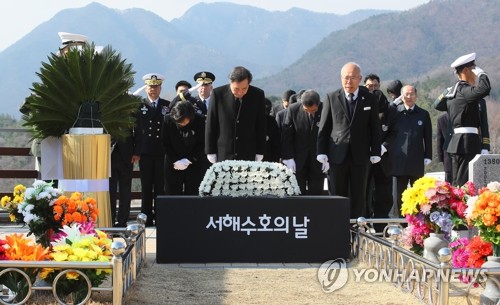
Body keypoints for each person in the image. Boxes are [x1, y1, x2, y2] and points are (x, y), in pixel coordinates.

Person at [317, 62, 381, 218]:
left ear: (359, 78)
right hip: (337, 153)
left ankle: (356, 230)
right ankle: (337, 227)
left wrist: (376, 151)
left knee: (359, 194)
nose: (349, 82)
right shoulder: (331, 97)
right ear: (341, 78)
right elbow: (324, 127)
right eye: (345, 78)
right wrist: (321, 152)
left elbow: (375, 127)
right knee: (337, 194)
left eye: (352, 78)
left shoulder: (369, 99)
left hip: (361, 155)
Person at [434, 52, 491, 187]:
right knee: (465, 183)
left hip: (455, 143)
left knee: (456, 181)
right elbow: (485, 89)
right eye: (473, 68)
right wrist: (482, 73)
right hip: (467, 142)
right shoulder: (464, 90)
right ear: (466, 70)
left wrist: (446, 92)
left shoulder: (453, 91)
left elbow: (437, 104)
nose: (475, 73)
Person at [205, 66, 267, 163]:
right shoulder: (218, 94)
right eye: (236, 88)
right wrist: (210, 150)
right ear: (230, 83)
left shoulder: (258, 95)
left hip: (248, 151)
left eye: (244, 88)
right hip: (223, 151)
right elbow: (211, 123)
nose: (240, 92)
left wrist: (260, 151)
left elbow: (261, 124)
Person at [364, 74, 399, 227]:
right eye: (369, 86)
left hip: (384, 158)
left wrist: (383, 147)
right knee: (364, 192)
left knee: (383, 193)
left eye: (375, 86)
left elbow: (395, 132)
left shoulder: (390, 109)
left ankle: (381, 225)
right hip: (364, 157)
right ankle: (363, 223)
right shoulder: (360, 106)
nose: (372, 89)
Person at [392, 85, 432, 216]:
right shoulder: (395, 113)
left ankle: (418, 223)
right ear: (401, 96)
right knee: (399, 194)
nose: (409, 97)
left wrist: (428, 155)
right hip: (399, 160)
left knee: (418, 193)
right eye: (406, 94)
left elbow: (427, 137)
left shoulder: (423, 114)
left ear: (416, 95)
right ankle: (399, 223)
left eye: (412, 94)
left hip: (417, 159)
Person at [137, 73, 170, 226]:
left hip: (161, 152)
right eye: (150, 87)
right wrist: (135, 151)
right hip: (145, 152)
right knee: (146, 185)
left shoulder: (166, 105)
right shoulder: (139, 106)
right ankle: (146, 216)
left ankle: (161, 216)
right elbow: (135, 131)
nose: (153, 90)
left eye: (156, 87)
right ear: (146, 88)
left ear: (160, 88)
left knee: (160, 186)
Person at [282, 89, 326, 195]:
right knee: (297, 193)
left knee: (316, 194)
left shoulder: (325, 108)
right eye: (307, 110)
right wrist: (288, 157)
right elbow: (287, 135)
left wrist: (327, 155)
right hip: (298, 159)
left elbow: (330, 134)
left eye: (313, 111)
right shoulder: (293, 109)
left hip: (318, 159)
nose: (310, 113)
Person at [162, 102, 207, 195]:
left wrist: (188, 160)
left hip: (194, 163)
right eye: (179, 122)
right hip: (173, 163)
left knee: (193, 195)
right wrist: (175, 160)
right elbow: (165, 143)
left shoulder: (199, 120)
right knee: (172, 194)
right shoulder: (167, 119)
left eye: (184, 121)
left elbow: (202, 144)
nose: (181, 124)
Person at [109, 118, 142, 227]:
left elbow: (138, 131)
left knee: (125, 191)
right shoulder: (105, 105)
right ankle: (110, 220)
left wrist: (137, 152)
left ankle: (122, 221)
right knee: (110, 190)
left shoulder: (131, 107)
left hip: (127, 155)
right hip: (109, 154)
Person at [436, 112, 453, 183]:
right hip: (448, 156)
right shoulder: (441, 119)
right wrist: (441, 157)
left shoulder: (442, 118)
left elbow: (440, 140)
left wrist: (441, 158)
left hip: (447, 156)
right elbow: (439, 140)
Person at [263, 98, 281, 162]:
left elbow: (276, 142)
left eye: (268, 110)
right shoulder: (250, 120)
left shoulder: (271, 121)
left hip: (269, 158)